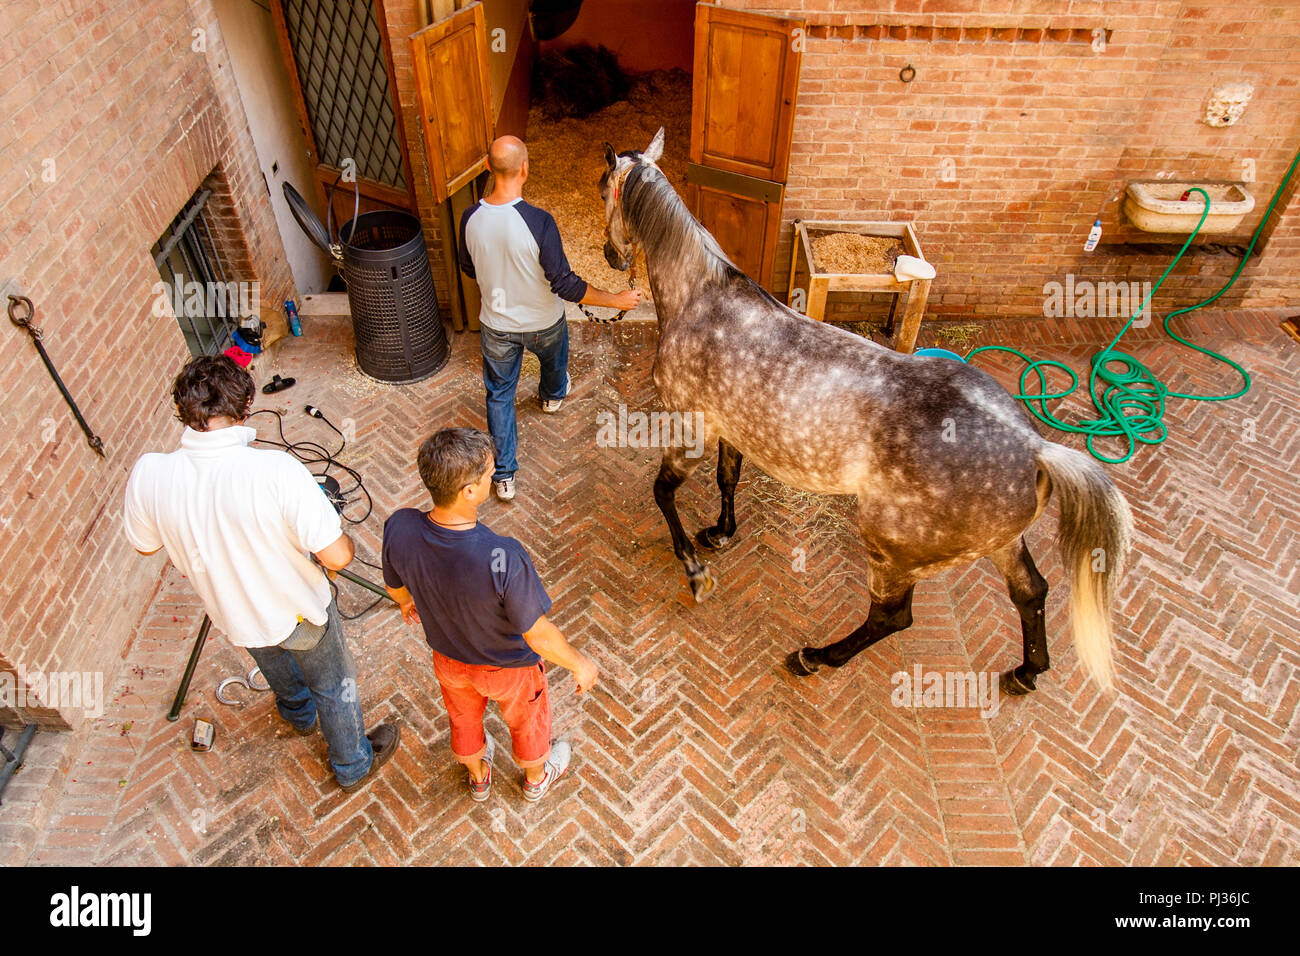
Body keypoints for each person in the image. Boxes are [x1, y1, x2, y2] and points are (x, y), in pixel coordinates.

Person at [122, 355, 400, 793]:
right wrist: (332, 530)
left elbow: (145, 544)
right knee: (334, 684)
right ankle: (351, 764)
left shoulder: (148, 473)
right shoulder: (277, 471)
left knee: (276, 664)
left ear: (182, 410)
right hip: (299, 612)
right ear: (246, 405)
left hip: (233, 614)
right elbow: (338, 558)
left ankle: (297, 714)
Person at [382, 427, 598, 802]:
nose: (493, 475)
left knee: (462, 717)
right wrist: (580, 664)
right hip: (509, 671)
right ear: (469, 491)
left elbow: (395, 587)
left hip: (448, 661)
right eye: (488, 473)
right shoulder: (503, 555)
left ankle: (479, 775)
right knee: (527, 721)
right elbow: (537, 634)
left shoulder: (399, 527)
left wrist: (405, 602)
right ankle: (535, 777)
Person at [459, 134, 642, 501]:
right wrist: (616, 299)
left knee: (498, 395)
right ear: (525, 169)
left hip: (496, 327)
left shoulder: (469, 218)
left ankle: (505, 476)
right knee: (554, 363)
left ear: (487, 169)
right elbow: (565, 284)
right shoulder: (540, 222)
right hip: (544, 323)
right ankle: (552, 396)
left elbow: (468, 266)